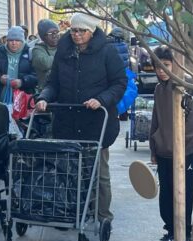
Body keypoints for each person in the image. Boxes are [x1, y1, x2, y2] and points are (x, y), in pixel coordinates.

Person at [36, 13, 127, 224]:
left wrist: (101, 99)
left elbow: (119, 83)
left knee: (99, 172)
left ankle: (103, 214)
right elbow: (53, 83)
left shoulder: (107, 51)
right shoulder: (64, 51)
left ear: (92, 31)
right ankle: (71, 209)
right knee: (68, 171)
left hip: (96, 123)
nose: (76, 35)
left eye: (81, 31)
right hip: (68, 120)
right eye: (74, 30)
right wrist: (43, 98)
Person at [149, 46, 193, 241]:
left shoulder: (184, 88)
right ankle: (171, 232)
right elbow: (156, 119)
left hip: (184, 153)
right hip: (163, 152)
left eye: (165, 65)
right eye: (157, 66)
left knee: (184, 194)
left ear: (174, 65)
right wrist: (154, 146)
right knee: (166, 195)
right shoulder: (159, 89)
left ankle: (185, 234)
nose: (161, 70)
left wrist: (179, 144)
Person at [0, 26, 37, 106]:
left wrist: (22, 82)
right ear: (7, 41)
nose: (14, 43)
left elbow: (37, 76)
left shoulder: (30, 53)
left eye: (17, 40)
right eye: (11, 40)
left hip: (24, 100)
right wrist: (0, 78)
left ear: (22, 41)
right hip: (1, 99)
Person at [32, 19, 60, 93]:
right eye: (50, 33)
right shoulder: (38, 49)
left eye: (56, 32)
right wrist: (62, 57)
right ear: (43, 37)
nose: (54, 36)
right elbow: (45, 63)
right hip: (45, 90)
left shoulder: (63, 46)